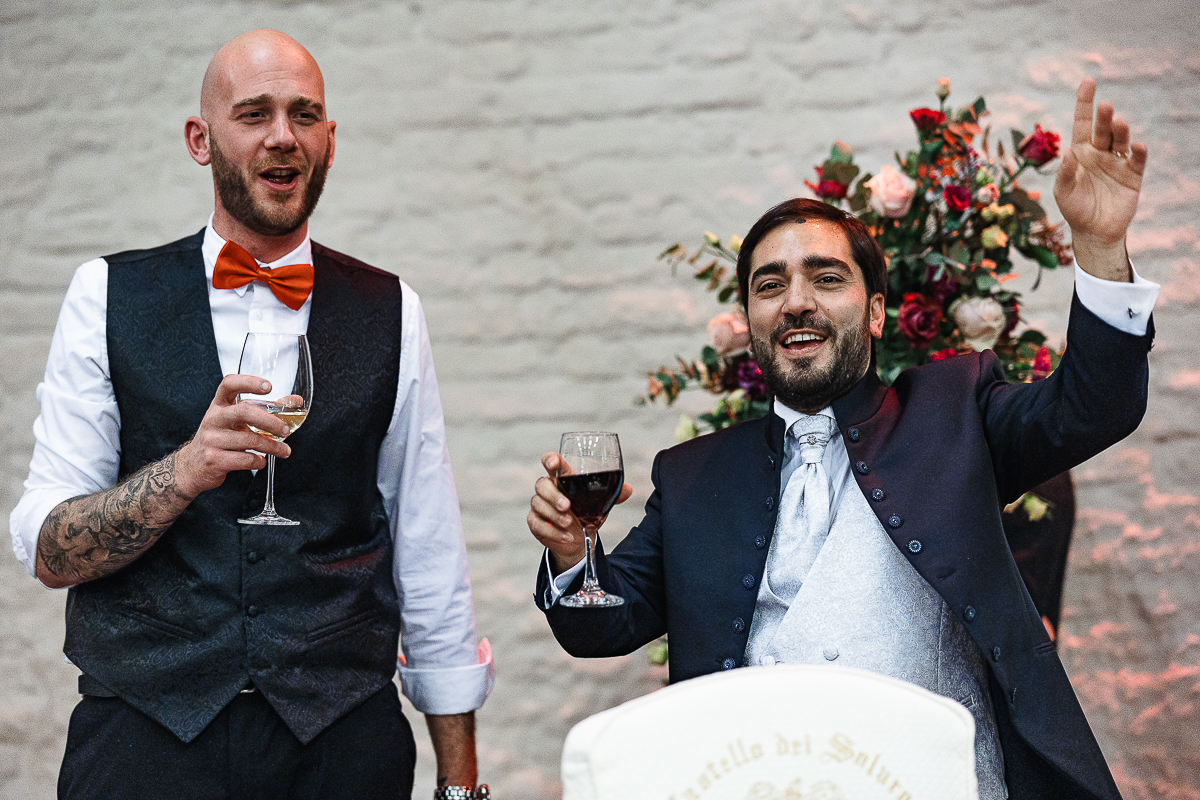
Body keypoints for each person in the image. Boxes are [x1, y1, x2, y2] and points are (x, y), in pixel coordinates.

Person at [527, 78, 1158, 800]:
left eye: (825, 278)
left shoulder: (959, 411)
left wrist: (1099, 249)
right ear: (751, 322)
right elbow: (602, 627)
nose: (796, 301)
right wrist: (571, 554)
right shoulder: (694, 474)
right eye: (770, 286)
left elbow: (1096, 406)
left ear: (878, 312)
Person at [10, 29, 492, 800]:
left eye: (305, 115)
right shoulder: (105, 295)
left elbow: (428, 545)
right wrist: (184, 471)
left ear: (329, 142)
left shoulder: (390, 308)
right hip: (143, 740)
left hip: (341, 742)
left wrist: (460, 782)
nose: (283, 136)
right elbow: (50, 551)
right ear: (200, 140)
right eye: (254, 113)